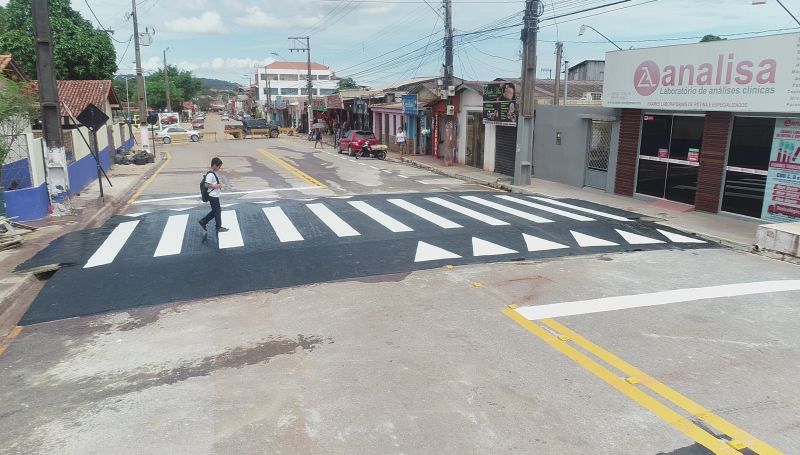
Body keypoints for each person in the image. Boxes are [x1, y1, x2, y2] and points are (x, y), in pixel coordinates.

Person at [198, 157, 229, 233]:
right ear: (214, 165)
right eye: (219, 166)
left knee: (216, 211)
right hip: (212, 196)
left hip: (214, 196)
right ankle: (217, 227)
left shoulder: (212, 173)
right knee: (217, 211)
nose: (219, 168)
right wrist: (217, 186)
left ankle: (203, 221)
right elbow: (206, 185)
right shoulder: (210, 174)